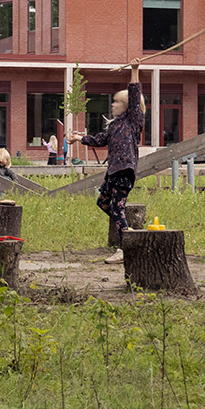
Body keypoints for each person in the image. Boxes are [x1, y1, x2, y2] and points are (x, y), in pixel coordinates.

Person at [70, 68, 144, 264]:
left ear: (127, 106)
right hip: (113, 171)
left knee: (118, 209)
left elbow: (136, 96)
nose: (113, 104)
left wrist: (134, 71)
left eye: (118, 101)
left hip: (125, 170)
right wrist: (79, 138)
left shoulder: (133, 121)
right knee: (102, 202)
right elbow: (100, 139)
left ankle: (124, 248)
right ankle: (127, 230)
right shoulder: (114, 126)